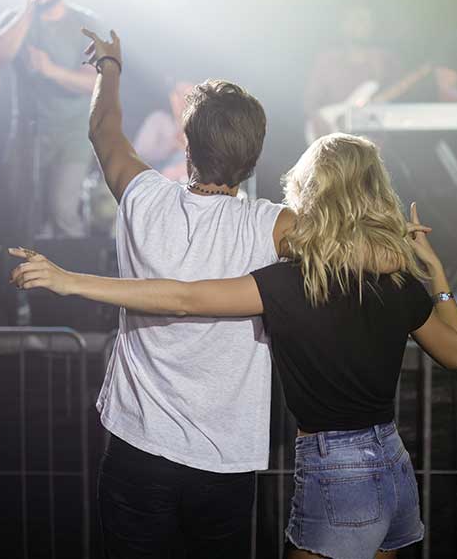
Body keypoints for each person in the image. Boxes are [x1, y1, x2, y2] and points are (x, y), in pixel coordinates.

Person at [11, 133, 457, 559]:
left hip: (338, 475)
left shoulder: (296, 284)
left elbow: (183, 297)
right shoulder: (399, 280)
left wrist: (69, 282)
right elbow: (456, 353)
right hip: (393, 468)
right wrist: (434, 271)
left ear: (312, 189)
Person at [37, 28, 295, 556]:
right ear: (253, 156)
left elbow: (103, 129)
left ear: (186, 142)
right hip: (225, 461)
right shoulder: (276, 227)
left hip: (139, 449)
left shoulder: (143, 197)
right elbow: (351, 238)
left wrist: (110, 67)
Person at [0, 0, 100, 240]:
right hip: (28, 132)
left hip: (73, 133)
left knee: (62, 209)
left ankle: (77, 271)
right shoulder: (15, 20)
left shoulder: (86, 23)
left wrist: (51, 70)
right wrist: (28, 11)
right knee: (24, 212)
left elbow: (95, 82)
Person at [303, 3, 400, 142]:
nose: (362, 24)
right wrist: (317, 119)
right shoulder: (327, 60)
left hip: (372, 143)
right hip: (333, 145)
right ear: (343, 25)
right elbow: (310, 100)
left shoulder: (384, 59)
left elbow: (396, 97)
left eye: (366, 20)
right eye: (356, 19)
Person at [132, 80, 194, 184]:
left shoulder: (204, 131)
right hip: (152, 182)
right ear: (173, 97)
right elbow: (138, 156)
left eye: (190, 96)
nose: (183, 101)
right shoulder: (159, 120)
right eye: (180, 94)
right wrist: (172, 144)